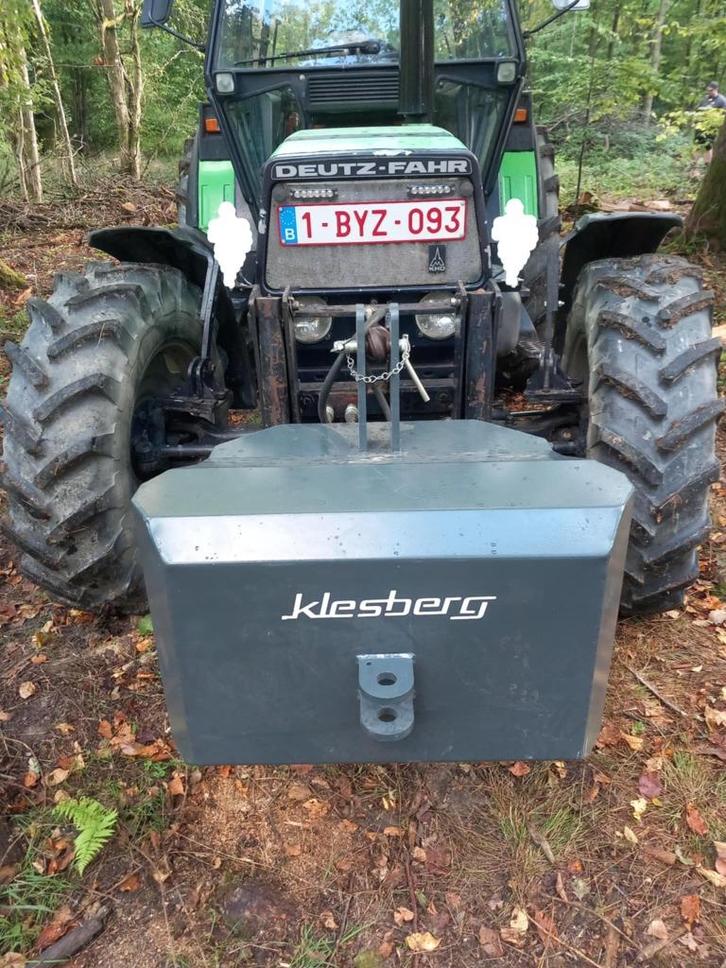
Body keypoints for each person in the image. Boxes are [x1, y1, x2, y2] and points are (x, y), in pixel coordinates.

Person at [695, 81, 726, 165]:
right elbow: (698, 110)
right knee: (698, 145)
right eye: (708, 90)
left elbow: (723, 116)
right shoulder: (705, 98)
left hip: (712, 128)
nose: (709, 92)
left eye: (711, 90)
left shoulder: (722, 100)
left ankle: (707, 165)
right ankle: (693, 166)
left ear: (716, 89)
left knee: (708, 146)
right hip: (700, 126)